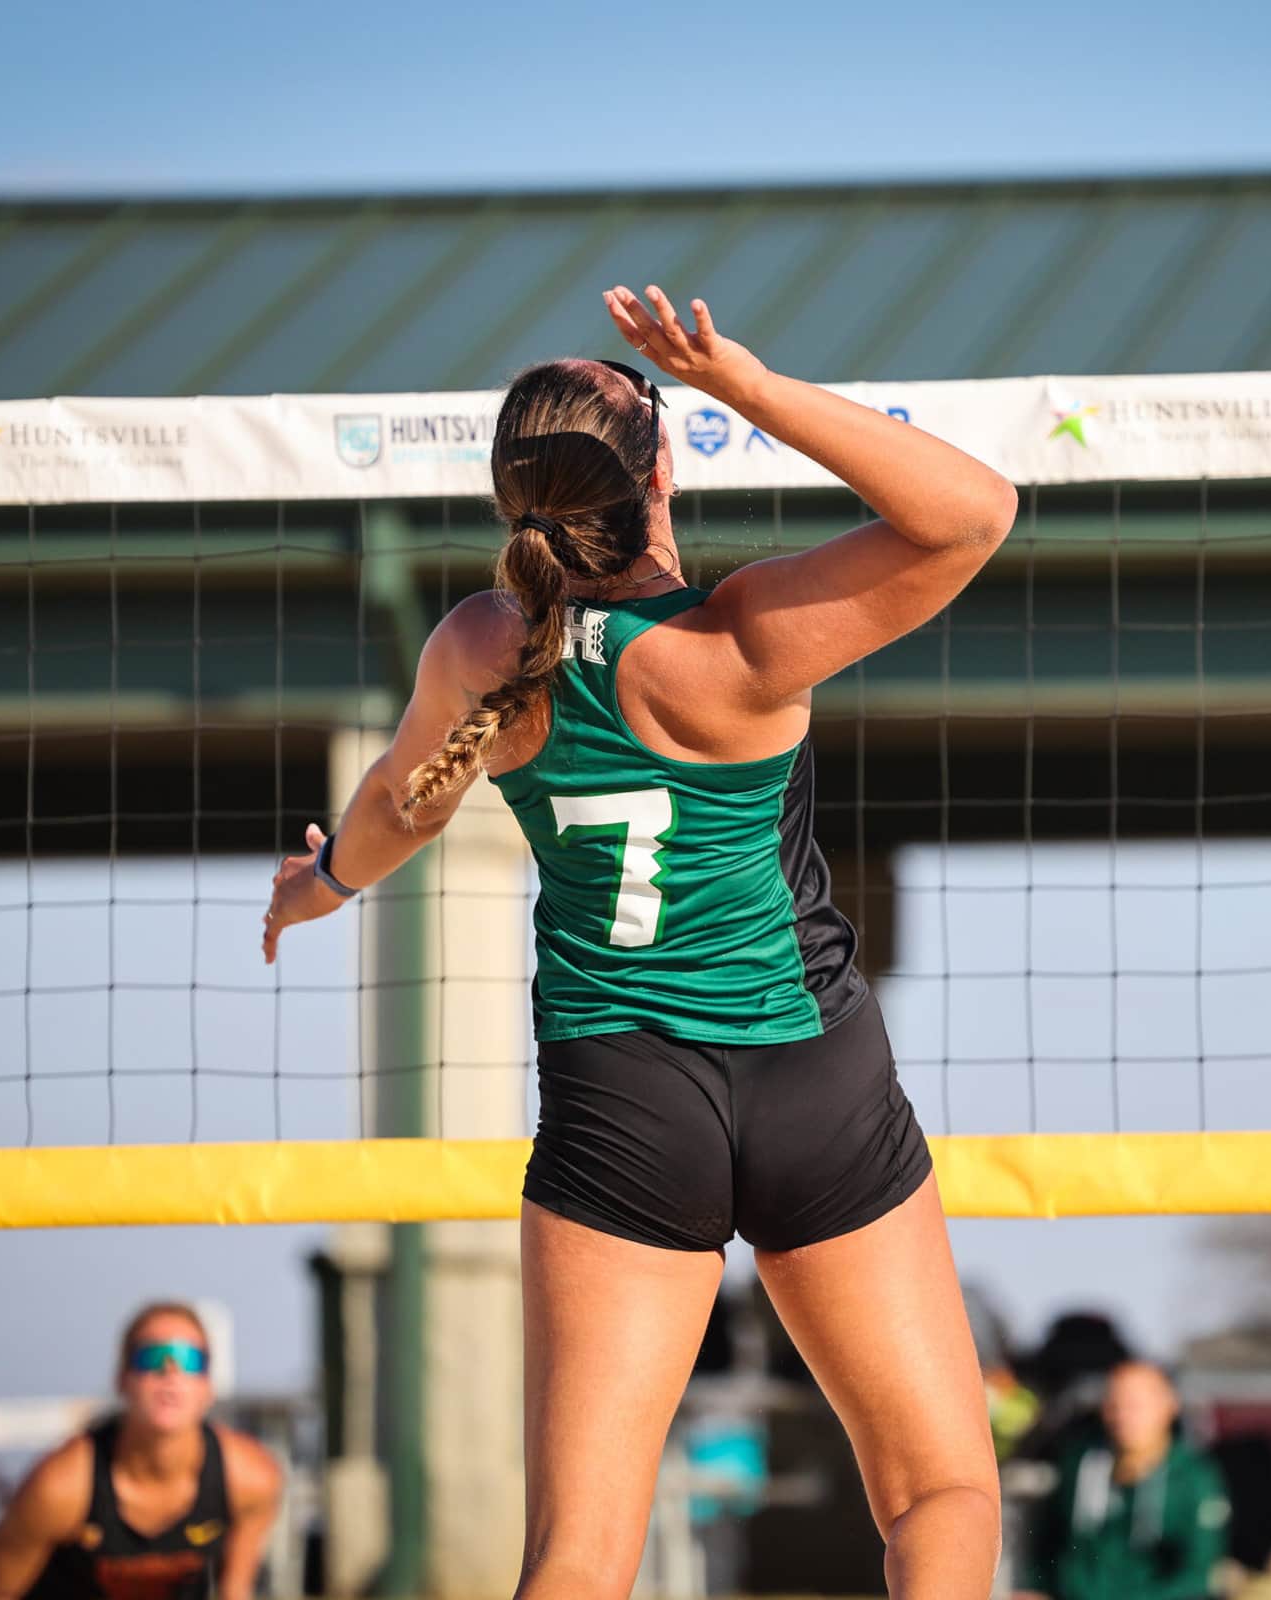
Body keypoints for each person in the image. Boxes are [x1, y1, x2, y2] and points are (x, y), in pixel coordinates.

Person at [261, 286, 1019, 1600]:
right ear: (664, 465)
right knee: (941, 1494)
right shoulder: (743, 640)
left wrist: (323, 884)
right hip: (810, 1079)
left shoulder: (486, 651)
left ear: (517, 499)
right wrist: (749, 383)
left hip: (626, 1104)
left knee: (579, 1554)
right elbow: (973, 513)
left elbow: (398, 806)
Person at [0, 1303, 284, 1600]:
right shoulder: (61, 1486)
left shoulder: (252, 1479)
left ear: (208, 1386)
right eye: (151, 1357)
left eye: (189, 1359)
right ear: (122, 1380)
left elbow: (235, 1592)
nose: (170, 1372)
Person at [1015, 1361, 1229, 1600]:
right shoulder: (1081, 1463)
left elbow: (1198, 1573)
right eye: (1114, 1404)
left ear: (1168, 1406)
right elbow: (1047, 1542)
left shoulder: (1194, 1477)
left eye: (1135, 1406)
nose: (1122, 1415)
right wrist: (1033, 1587)